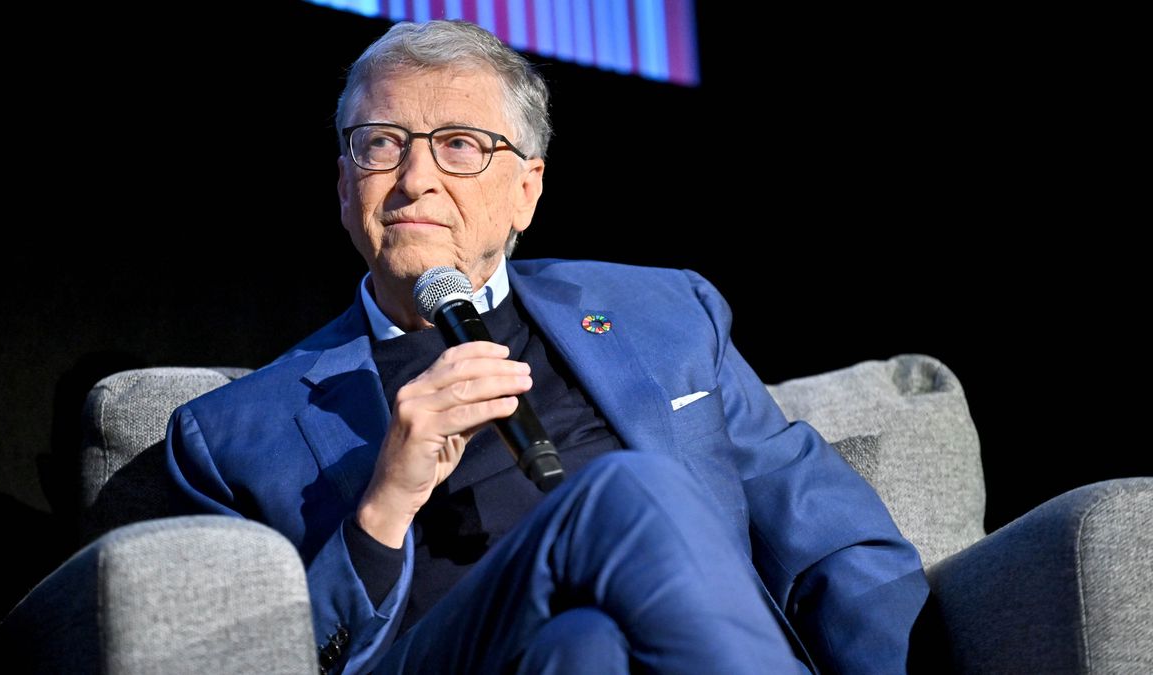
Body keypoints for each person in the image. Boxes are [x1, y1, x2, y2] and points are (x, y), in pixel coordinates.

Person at [165, 19, 930, 675]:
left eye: (459, 144)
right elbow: (258, 656)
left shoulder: (666, 311)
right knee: (629, 492)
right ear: (343, 184)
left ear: (525, 189)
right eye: (381, 144)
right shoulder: (230, 435)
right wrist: (385, 502)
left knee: (587, 644)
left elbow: (828, 539)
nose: (414, 179)